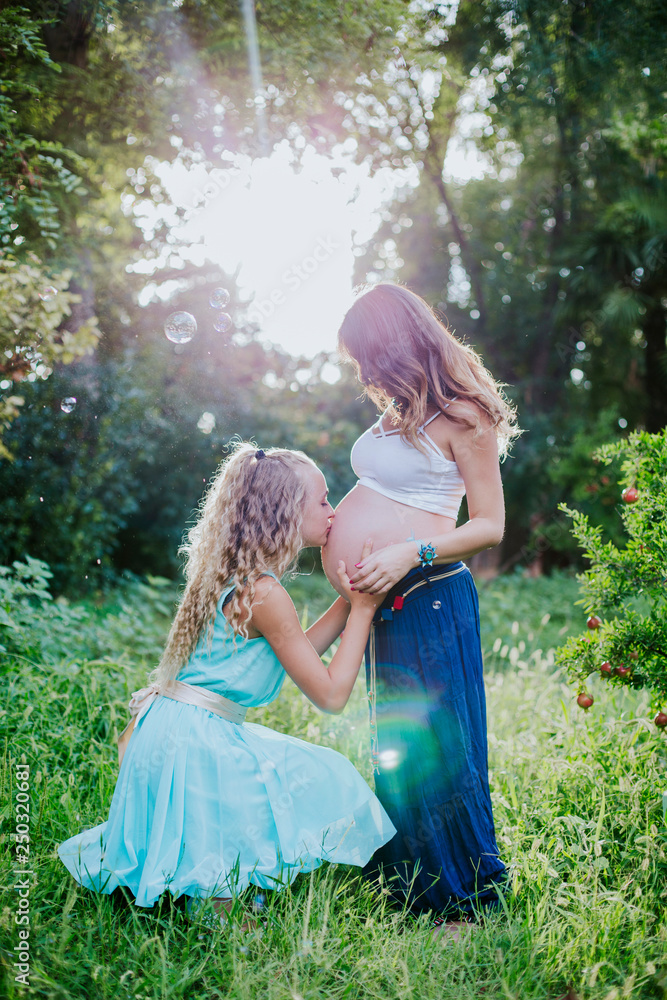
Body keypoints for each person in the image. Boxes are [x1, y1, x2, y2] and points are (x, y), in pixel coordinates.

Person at [58, 443, 396, 928]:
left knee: (272, 784)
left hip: (168, 732)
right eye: (323, 500)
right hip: (196, 744)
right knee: (327, 773)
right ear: (286, 512)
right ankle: (218, 903)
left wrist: (348, 601)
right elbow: (330, 694)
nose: (333, 511)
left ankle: (213, 892)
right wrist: (364, 610)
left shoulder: (233, 577)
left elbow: (295, 648)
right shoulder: (265, 594)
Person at [321, 282, 520, 935]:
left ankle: (461, 896)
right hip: (388, 602)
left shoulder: (466, 416)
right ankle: (410, 881)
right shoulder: (397, 413)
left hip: (433, 595)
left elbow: (489, 525)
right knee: (399, 743)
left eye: (364, 356)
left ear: (394, 344)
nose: (362, 373)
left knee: (442, 743)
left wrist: (412, 549)